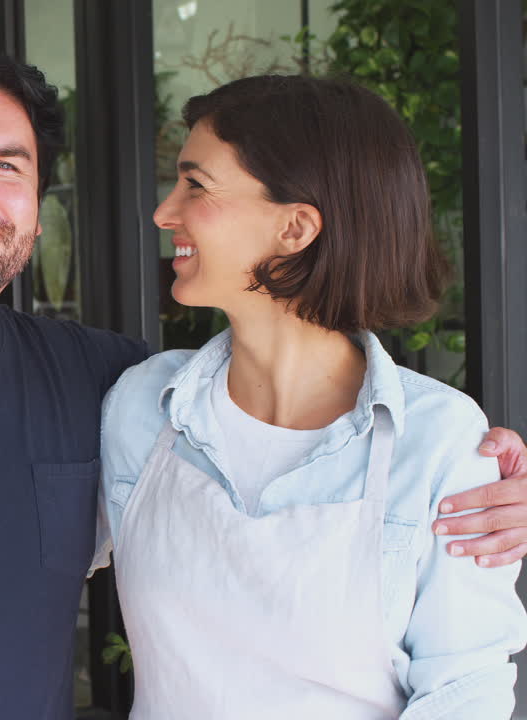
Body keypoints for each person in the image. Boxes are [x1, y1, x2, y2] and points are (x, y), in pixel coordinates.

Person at [0, 42, 527, 720]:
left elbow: (467, 676)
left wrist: (502, 484)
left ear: (36, 203)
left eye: (8, 165)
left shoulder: (119, 390)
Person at [97, 74, 526, 718]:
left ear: (295, 228)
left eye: (196, 185)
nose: (164, 212)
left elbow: (465, 695)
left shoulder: (437, 439)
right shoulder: (142, 406)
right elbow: (9, 554)